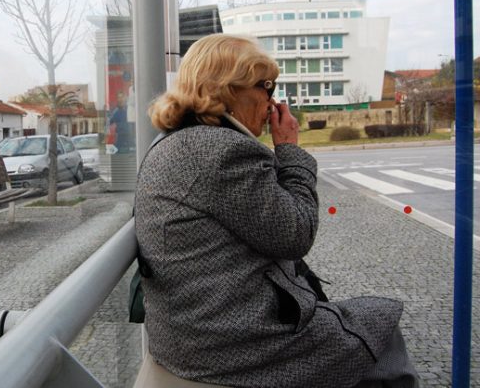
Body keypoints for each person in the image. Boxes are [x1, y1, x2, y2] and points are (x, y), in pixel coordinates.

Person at [134, 34, 419, 388]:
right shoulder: (223, 151)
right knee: (382, 330)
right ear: (229, 88)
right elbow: (296, 233)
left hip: (193, 331)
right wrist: (289, 150)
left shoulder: (173, 142)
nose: (272, 100)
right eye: (267, 86)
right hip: (232, 343)